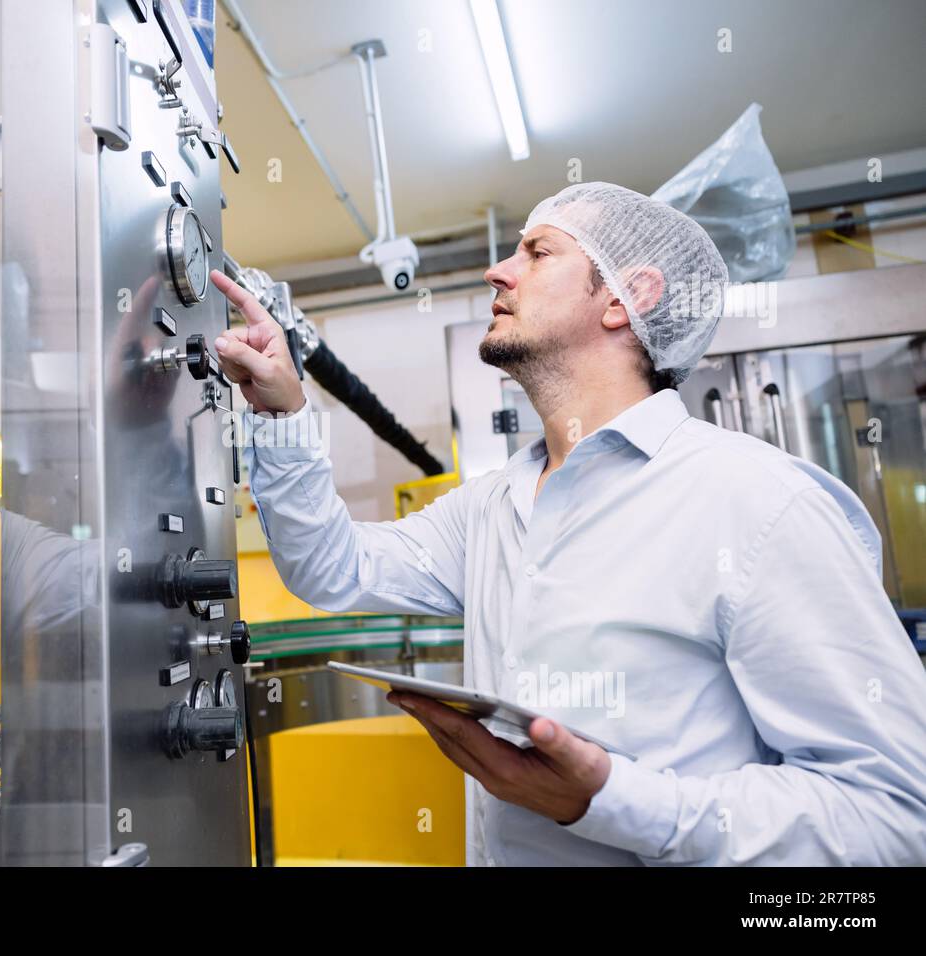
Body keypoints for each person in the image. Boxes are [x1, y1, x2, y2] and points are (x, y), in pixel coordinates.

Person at [207, 182, 926, 866]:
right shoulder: (494, 505)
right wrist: (282, 413)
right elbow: (333, 569)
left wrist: (610, 800)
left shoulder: (755, 501)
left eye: (537, 252)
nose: (497, 270)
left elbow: (894, 815)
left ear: (626, 297)